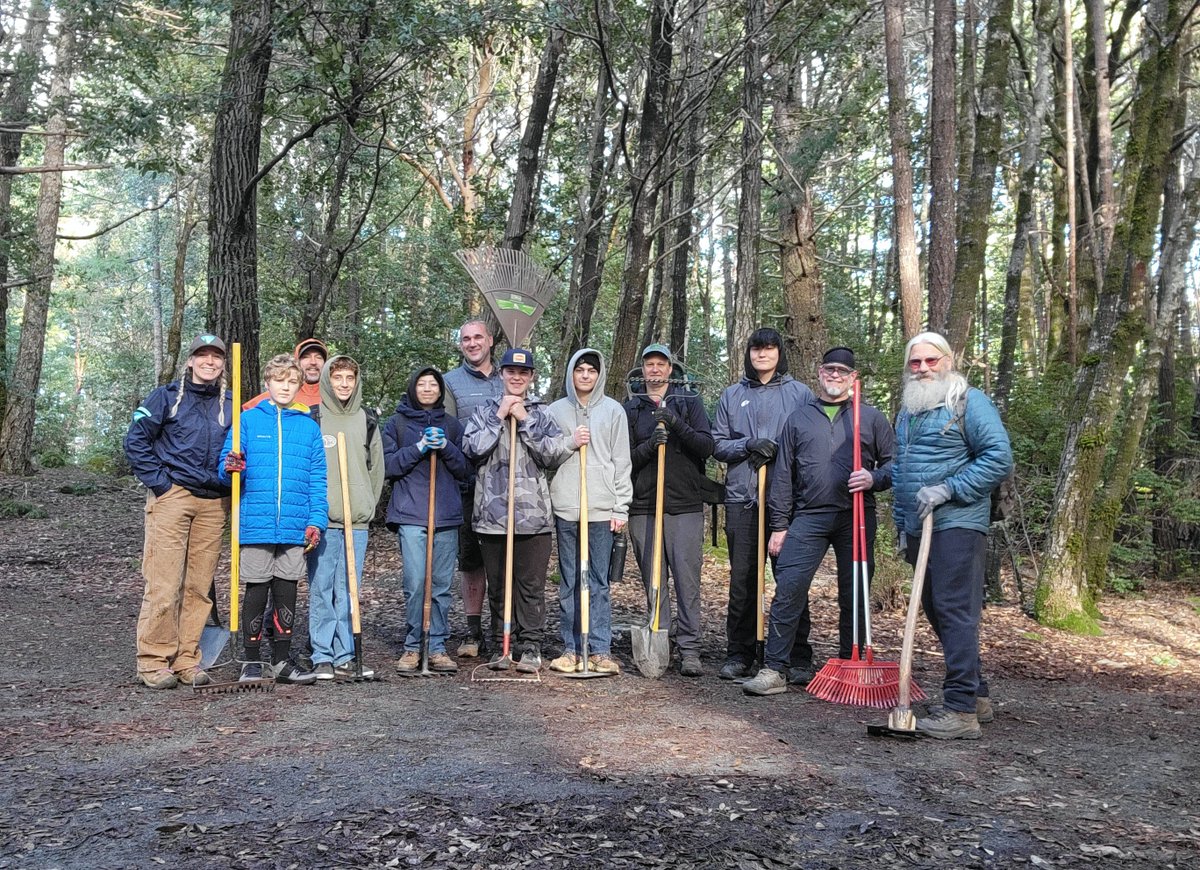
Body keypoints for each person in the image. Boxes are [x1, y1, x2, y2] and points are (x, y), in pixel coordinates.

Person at [743, 347, 895, 696]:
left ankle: (851, 665)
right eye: (830, 369)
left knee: (854, 590)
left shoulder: (870, 418)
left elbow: (893, 466)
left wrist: (875, 478)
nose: (835, 376)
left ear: (853, 378)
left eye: (843, 371)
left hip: (855, 514)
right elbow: (782, 475)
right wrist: (780, 525)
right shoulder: (798, 418)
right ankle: (775, 668)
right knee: (790, 586)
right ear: (820, 373)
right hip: (808, 516)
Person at [891, 331, 1012, 738]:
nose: (923, 368)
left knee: (956, 612)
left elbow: (998, 457)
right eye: (915, 362)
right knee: (938, 611)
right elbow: (901, 470)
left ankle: (960, 711)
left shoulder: (968, 401)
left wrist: (949, 488)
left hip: (957, 524)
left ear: (948, 360)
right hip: (920, 528)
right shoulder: (909, 409)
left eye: (931, 360)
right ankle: (975, 694)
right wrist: (901, 525)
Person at [124, 334, 232, 689]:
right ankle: (153, 660)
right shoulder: (166, 397)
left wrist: (234, 476)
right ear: (190, 361)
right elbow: (135, 440)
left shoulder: (231, 405)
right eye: (202, 355)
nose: (209, 361)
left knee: (199, 587)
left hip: (213, 503)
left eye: (216, 356)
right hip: (174, 497)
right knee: (164, 581)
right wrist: (161, 485)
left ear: (222, 364)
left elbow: (238, 453)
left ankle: (187, 658)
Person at [711, 328, 813, 681]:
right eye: (756, 349)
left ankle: (796, 656)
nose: (762, 355)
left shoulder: (800, 394)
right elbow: (718, 443)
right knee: (743, 580)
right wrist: (749, 445)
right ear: (749, 354)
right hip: (744, 498)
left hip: (787, 501)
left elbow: (810, 442)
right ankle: (740, 652)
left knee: (790, 579)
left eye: (769, 348)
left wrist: (779, 452)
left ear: (779, 352)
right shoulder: (733, 394)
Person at [219, 353, 327, 685]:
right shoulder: (248, 421)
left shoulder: (308, 427)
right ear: (268, 383)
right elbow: (226, 466)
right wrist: (231, 466)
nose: (285, 386)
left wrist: (316, 520)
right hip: (256, 521)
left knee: (287, 588)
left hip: (294, 524)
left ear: (299, 385)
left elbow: (317, 479)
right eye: (279, 380)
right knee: (256, 588)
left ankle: (281, 659)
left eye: (292, 381)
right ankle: (251, 661)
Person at [462, 347, 571, 672]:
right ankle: (501, 645)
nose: (517, 377)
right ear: (502, 374)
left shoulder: (542, 413)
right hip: (492, 517)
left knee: (530, 588)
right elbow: (472, 449)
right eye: (511, 372)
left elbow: (553, 454)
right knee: (499, 587)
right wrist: (500, 417)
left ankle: (530, 647)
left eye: (523, 373)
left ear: (531, 377)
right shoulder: (484, 411)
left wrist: (524, 420)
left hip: (533, 517)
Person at [623, 343, 714, 677]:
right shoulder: (631, 408)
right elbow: (624, 460)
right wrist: (650, 445)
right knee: (654, 581)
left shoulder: (689, 403)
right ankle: (658, 643)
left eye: (662, 364)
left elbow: (707, 446)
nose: (655, 370)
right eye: (650, 364)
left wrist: (676, 424)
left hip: (684, 505)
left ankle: (690, 649)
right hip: (645, 506)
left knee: (687, 582)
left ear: (670, 370)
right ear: (643, 370)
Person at [546, 348, 633, 674]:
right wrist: (570, 441)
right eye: (579, 369)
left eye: (591, 371)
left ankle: (599, 649)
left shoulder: (613, 411)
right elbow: (548, 457)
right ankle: (571, 648)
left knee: (598, 581)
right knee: (570, 580)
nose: (585, 375)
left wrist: (620, 507)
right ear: (571, 373)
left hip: (600, 507)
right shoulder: (555, 411)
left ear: (599, 375)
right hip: (567, 506)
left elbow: (622, 462)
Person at [382, 367, 471, 674]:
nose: (428, 388)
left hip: (445, 514)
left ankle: (436, 646)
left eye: (433, 384)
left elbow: (465, 470)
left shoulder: (452, 425)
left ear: (441, 390)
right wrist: (419, 448)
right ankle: (412, 645)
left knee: (442, 586)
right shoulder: (397, 423)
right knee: (416, 581)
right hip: (411, 513)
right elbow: (389, 466)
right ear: (413, 388)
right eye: (422, 384)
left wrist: (445, 447)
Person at [307, 355, 385, 680]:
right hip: (324, 522)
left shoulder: (366, 420)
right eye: (337, 377)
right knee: (322, 587)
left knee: (349, 588)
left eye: (349, 378)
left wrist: (367, 503)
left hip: (357, 521)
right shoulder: (315, 418)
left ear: (356, 381)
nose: (343, 383)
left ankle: (345, 654)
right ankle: (322, 654)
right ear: (327, 379)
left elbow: (377, 469)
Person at [442, 319, 503, 658]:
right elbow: (451, 431)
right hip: (467, 483)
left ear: (490, 340)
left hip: (507, 485)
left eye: (478, 337)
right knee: (471, 560)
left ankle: (503, 631)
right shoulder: (451, 382)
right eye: (466, 338)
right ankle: (473, 631)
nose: (472, 343)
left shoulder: (509, 377)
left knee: (503, 558)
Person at [243, 338, 328, 411]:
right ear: (297, 362)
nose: (313, 362)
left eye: (318, 357)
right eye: (306, 357)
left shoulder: (335, 397)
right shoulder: (277, 394)